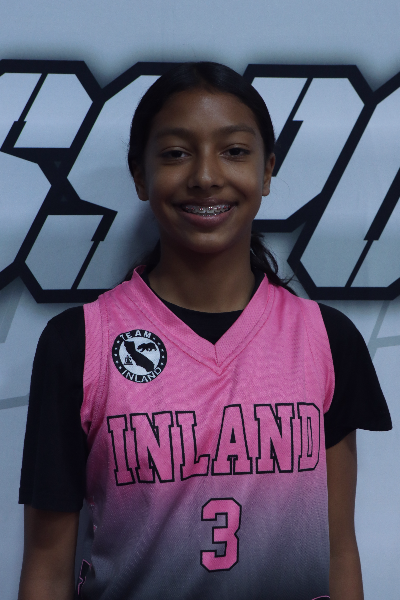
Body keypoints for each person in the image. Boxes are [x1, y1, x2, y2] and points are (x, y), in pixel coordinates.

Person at [18, 62, 392, 600]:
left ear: (267, 171)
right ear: (140, 175)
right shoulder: (78, 343)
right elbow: (47, 566)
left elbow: (337, 551)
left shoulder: (327, 339)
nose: (206, 176)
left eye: (234, 151)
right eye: (176, 153)